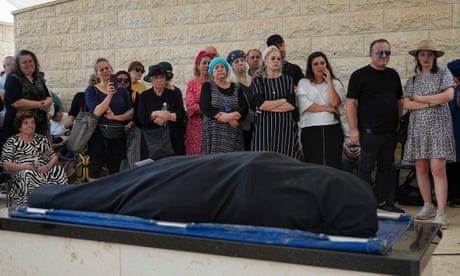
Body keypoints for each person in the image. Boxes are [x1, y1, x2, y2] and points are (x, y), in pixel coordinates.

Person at [28, 151, 378, 238]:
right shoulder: (310, 202)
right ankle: (45, 196)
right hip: (216, 182)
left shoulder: (316, 184)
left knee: (118, 191)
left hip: (218, 175)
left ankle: (46, 194)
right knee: (120, 195)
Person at [346, 39, 404, 213]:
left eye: (387, 53)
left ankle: (384, 202)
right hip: (368, 132)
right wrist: (353, 129)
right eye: (380, 53)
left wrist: (399, 121)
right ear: (371, 54)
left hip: (390, 131)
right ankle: (365, 203)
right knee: (365, 168)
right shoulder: (359, 75)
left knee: (387, 168)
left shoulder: (393, 75)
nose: (384, 56)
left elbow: (399, 100)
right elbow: (351, 103)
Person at [403, 40, 455, 229]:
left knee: (438, 169)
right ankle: (427, 205)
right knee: (421, 168)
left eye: (429, 54)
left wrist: (422, 99)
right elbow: (407, 104)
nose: (426, 57)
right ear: (417, 57)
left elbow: (448, 96)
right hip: (418, 129)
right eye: (422, 54)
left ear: (435, 57)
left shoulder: (443, 74)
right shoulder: (413, 80)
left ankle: (441, 212)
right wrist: (432, 102)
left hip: (439, 127)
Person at [0, 111, 67, 204]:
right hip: (21, 172)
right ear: (20, 126)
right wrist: (24, 167)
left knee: (58, 170)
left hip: (42, 170)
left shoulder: (42, 139)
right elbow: (6, 163)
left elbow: (54, 157)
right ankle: (36, 203)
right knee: (29, 174)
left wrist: (48, 166)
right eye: (26, 123)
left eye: (32, 122)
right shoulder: (12, 141)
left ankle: (59, 202)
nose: (30, 125)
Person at [85, 58, 133, 180]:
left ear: (111, 69)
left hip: (118, 133)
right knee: (96, 167)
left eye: (107, 68)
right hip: (99, 134)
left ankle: (113, 196)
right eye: (102, 69)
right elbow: (97, 112)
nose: (105, 71)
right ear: (97, 74)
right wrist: (109, 95)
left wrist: (115, 117)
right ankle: (94, 197)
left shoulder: (122, 90)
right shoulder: (92, 90)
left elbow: (131, 112)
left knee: (115, 168)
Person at [297, 51, 344, 169]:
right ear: (310, 67)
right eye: (316, 64)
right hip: (310, 128)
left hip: (332, 128)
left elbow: (334, 102)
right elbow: (306, 106)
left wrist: (329, 82)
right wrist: (329, 109)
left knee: (333, 164)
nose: (320, 66)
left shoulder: (335, 83)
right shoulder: (303, 83)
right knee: (314, 165)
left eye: (322, 63)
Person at [251, 46, 300, 159]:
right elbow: (261, 105)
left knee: (286, 160)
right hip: (265, 129)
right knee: (263, 161)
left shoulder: (287, 79)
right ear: (265, 61)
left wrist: (270, 105)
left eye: (278, 59)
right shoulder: (258, 80)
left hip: (285, 128)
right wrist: (282, 101)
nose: (277, 61)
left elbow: (291, 105)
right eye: (273, 58)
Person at [200, 57, 248, 154]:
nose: (220, 69)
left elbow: (244, 108)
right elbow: (205, 107)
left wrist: (230, 116)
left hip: (233, 134)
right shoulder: (207, 86)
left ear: (226, 70)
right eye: (216, 67)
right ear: (211, 72)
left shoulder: (236, 87)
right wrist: (228, 119)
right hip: (214, 135)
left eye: (222, 67)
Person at [3, 50, 53, 141]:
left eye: (30, 61)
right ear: (18, 65)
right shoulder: (13, 79)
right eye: (24, 62)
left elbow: (48, 96)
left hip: (40, 125)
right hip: (19, 127)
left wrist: (48, 102)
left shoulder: (38, 78)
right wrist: (39, 104)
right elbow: (16, 102)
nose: (28, 64)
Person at [137, 64, 186, 157]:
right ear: (151, 79)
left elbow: (181, 114)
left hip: (173, 140)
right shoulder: (144, 96)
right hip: (152, 140)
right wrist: (155, 114)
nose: (159, 80)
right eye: (156, 77)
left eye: (162, 77)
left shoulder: (173, 94)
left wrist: (169, 117)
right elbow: (140, 118)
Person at [185, 50, 215, 155]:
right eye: (204, 63)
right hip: (196, 127)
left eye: (210, 63)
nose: (207, 65)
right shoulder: (192, 84)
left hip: (214, 125)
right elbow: (191, 106)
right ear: (198, 66)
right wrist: (211, 110)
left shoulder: (217, 84)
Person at [228, 49, 255, 150]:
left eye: (242, 60)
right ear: (231, 66)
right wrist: (254, 117)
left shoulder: (253, 80)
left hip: (256, 126)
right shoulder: (232, 84)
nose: (240, 63)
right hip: (242, 126)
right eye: (236, 61)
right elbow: (235, 105)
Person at [116, 70, 141, 170]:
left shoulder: (134, 95)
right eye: (119, 80)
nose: (122, 82)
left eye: (126, 81)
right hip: (115, 132)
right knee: (120, 163)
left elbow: (139, 114)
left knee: (133, 162)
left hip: (132, 130)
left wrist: (131, 123)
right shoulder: (110, 95)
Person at [446, 59, 460, 207]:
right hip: (449, 130)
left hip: (456, 129)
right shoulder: (448, 88)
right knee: (451, 163)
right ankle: (452, 195)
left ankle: (455, 195)